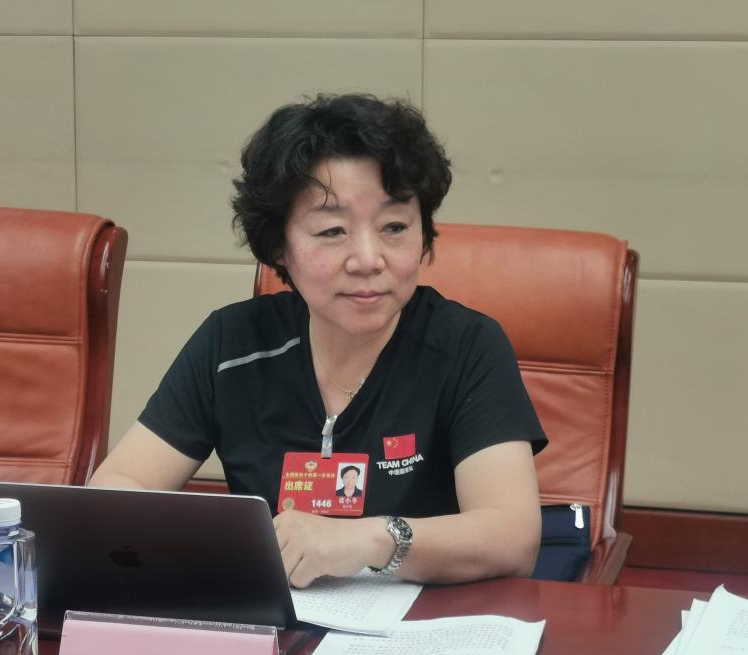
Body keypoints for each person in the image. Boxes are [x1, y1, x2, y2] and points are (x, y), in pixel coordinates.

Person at [90, 93, 547, 587]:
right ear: (279, 248)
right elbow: (117, 486)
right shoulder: (233, 344)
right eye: (332, 231)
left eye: (394, 227)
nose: (368, 259)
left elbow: (511, 536)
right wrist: (211, 545)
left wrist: (372, 540)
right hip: (272, 619)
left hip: (425, 621)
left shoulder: (467, 346)